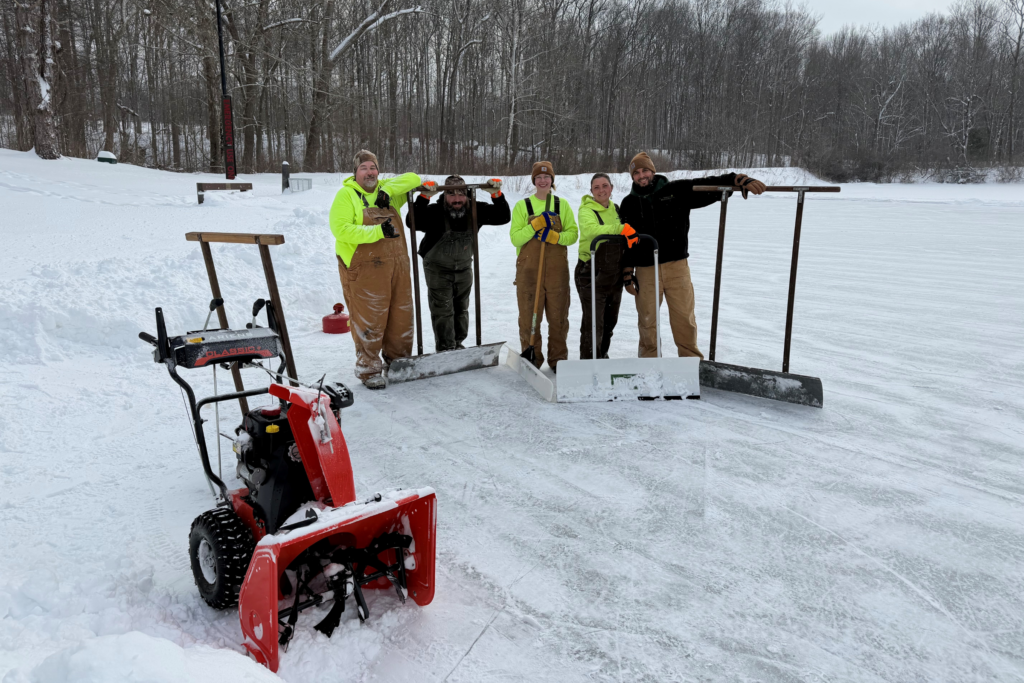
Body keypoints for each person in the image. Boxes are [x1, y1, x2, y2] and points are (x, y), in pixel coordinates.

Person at [619, 151, 765, 359]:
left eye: (645, 170)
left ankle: (690, 362)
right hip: (645, 270)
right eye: (637, 172)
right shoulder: (628, 203)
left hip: (677, 268)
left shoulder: (675, 190)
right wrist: (627, 270)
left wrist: (736, 179)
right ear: (632, 177)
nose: (642, 175)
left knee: (684, 319)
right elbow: (627, 242)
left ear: (653, 171)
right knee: (647, 320)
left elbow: (709, 184)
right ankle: (649, 362)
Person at [328, 150, 422, 389]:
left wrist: (387, 191)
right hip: (364, 268)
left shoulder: (386, 192)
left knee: (401, 316)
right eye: (363, 168)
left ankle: (398, 363)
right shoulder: (346, 196)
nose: (369, 172)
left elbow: (414, 179)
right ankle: (369, 369)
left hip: (396, 265)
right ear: (355, 172)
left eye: (373, 168)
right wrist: (378, 232)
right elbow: (341, 230)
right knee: (370, 318)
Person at [408, 175, 509, 352]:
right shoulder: (435, 211)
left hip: (464, 268)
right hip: (437, 270)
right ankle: (446, 347)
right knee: (443, 310)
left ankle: (458, 343)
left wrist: (497, 195)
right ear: (444, 196)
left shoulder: (476, 210)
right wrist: (423, 198)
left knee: (462, 309)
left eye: (461, 195)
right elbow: (413, 221)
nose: (457, 199)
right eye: (451, 194)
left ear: (467, 195)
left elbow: (503, 216)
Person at [509, 161, 578, 371]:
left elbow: (573, 234)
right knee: (530, 317)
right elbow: (515, 238)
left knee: (558, 317)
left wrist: (555, 236)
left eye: (547, 177)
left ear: (552, 180)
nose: (542, 180)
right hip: (529, 271)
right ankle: (532, 358)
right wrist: (535, 226)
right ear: (533, 180)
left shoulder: (561, 205)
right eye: (538, 177)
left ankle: (558, 360)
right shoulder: (523, 206)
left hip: (557, 272)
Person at [574, 173, 627, 359]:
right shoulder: (586, 210)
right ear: (591, 191)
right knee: (593, 323)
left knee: (609, 322)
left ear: (611, 188)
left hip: (614, 273)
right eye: (596, 187)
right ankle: (588, 363)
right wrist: (620, 229)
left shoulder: (617, 209)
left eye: (605, 186)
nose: (601, 190)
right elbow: (591, 230)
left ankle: (602, 357)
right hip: (590, 272)